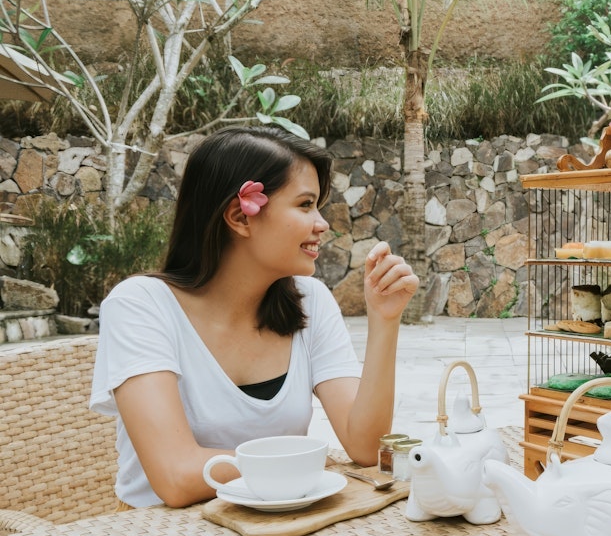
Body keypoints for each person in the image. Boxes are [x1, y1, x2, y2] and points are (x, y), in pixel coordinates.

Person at [89, 126, 419, 508]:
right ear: (240, 217)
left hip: (282, 524)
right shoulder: (141, 306)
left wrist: (384, 319)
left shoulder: (310, 301)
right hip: (159, 534)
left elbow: (364, 447)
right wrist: (308, 464)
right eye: (305, 205)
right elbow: (176, 477)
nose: (322, 223)